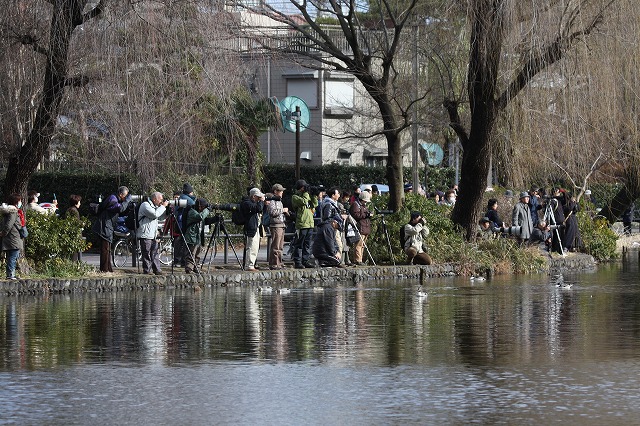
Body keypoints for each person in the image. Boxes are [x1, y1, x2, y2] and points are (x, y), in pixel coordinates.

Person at [91, 186, 131, 272]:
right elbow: (120, 208)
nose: (126, 198)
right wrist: (127, 201)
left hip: (106, 226)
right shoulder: (112, 199)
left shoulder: (114, 198)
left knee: (107, 249)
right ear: (121, 194)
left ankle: (108, 268)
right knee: (105, 249)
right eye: (125, 196)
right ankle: (104, 270)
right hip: (104, 227)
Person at [136, 192, 169, 275]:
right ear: (154, 199)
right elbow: (155, 214)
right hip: (145, 233)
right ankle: (147, 270)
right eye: (160, 199)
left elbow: (160, 217)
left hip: (153, 234)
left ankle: (157, 270)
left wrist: (167, 211)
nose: (161, 201)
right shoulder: (145, 205)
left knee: (155, 252)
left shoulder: (155, 207)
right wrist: (163, 206)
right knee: (146, 252)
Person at [291, 179, 318, 269]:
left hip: (310, 224)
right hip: (302, 224)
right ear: (300, 188)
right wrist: (306, 193)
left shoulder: (307, 196)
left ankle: (305, 260)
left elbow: (315, 204)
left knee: (307, 244)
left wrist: (314, 195)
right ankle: (298, 261)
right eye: (304, 187)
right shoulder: (295, 197)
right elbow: (303, 202)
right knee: (299, 244)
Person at [1, 194, 25, 280]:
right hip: (13, 237)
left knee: (11, 256)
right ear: (16, 202)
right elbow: (9, 224)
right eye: (19, 201)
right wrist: (4, 232)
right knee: (13, 256)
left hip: (10, 237)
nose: (20, 202)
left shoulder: (8, 211)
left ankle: (11, 274)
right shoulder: (13, 212)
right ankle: (10, 275)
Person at [241, 187, 265, 272]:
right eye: (258, 197)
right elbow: (258, 208)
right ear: (253, 196)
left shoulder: (254, 203)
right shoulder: (247, 203)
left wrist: (262, 202)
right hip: (250, 228)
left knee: (255, 247)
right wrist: (261, 201)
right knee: (250, 247)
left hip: (256, 227)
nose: (259, 199)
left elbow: (260, 209)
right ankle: (249, 265)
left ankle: (252, 264)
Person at [321, 186, 347, 262]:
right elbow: (327, 217)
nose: (339, 195)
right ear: (333, 195)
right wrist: (337, 220)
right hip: (332, 227)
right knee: (338, 244)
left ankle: (336, 260)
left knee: (336, 244)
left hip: (333, 227)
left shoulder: (331, 203)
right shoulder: (329, 204)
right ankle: (337, 260)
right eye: (338, 193)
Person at [183, 198, 209, 274]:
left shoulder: (199, 212)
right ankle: (189, 269)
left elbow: (205, 220)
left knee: (198, 254)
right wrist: (207, 210)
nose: (204, 209)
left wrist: (215, 219)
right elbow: (200, 217)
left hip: (198, 236)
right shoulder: (192, 212)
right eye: (204, 207)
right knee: (191, 253)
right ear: (200, 206)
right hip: (191, 236)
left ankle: (196, 268)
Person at [174, 183, 196, 267]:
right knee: (186, 243)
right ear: (190, 192)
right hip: (186, 224)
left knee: (179, 242)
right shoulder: (190, 201)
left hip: (179, 223)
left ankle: (177, 261)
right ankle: (184, 262)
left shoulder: (180, 198)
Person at [267, 184, 288, 270]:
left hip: (281, 225)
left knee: (280, 246)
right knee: (276, 246)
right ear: (275, 191)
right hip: (276, 225)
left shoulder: (279, 201)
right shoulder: (272, 201)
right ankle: (274, 263)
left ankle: (279, 262)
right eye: (280, 191)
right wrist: (283, 210)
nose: (282, 192)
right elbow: (272, 212)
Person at [349, 190, 372, 265]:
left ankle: (360, 259)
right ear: (361, 199)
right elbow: (356, 215)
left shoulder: (364, 206)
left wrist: (368, 214)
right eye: (364, 201)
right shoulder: (356, 205)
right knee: (358, 245)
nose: (365, 203)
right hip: (360, 227)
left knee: (363, 245)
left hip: (366, 227)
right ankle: (357, 260)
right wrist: (366, 215)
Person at [65, 194, 83, 261]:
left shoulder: (69, 209)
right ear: (76, 202)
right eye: (79, 202)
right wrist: (82, 223)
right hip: (75, 234)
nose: (80, 203)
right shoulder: (74, 211)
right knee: (75, 253)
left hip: (69, 233)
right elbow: (77, 222)